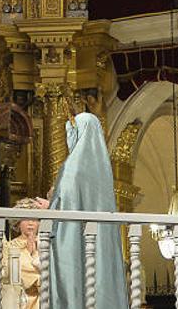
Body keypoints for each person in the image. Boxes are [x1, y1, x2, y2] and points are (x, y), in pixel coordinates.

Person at [48, 104, 130, 309]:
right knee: (98, 274)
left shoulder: (71, 169)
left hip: (71, 237)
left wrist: (48, 207)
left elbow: (63, 202)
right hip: (99, 239)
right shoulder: (104, 171)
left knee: (74, 281)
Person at [4, 197, 45, 309]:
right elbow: (12, 273)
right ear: (18, 223)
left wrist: (34, 253)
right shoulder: (10, 246)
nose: (30, 223)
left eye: (34, 219)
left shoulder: (45, 244)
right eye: (26, 219)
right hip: (19, 300)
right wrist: (29, 253)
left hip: (43, 299)